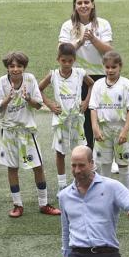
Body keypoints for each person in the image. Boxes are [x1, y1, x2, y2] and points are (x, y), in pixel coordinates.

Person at [0, 51, 59, 218]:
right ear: (7, 68)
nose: (15, 69)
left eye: (19, 66)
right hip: (9, 132)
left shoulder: (30, 79)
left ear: (24, 67)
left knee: (38, 166)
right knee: (12, 168)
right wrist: (7, 100)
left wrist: (28, 98)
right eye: (12, 66)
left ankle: (44, 204)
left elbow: (38, 105)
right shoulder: (2, 82)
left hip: (27, 132)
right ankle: (17, 205)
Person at [58, 0, 112, 151]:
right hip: (77, 77)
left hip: (101, 76)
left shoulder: (103, 24)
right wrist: (80, 41)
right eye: (80, 3)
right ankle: (88, 152)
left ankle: (110, 152)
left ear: (93, 4)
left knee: (103, 115)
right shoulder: (68, 26)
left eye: (86, 2)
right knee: (83, 116)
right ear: (75, 6)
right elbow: (62, 51)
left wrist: (93, 39)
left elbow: (109, 51)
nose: (83, 6)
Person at [39, 43, 94, 193]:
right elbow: (38, 89)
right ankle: (62, 185)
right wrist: (49, 104)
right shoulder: (53, 75)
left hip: (77, 120)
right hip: (61, 121)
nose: (67, 64)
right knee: (60, 152)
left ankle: (81, 182)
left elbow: (92, 85)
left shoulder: (80, 73)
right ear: (58, 59)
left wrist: (86, 101)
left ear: (74, 60)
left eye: (70, 61)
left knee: (80, 151)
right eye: (64, 61)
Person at [89, 51, 129, 190]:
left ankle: (127, 197)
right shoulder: (98, 85)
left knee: (123, 164)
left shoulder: (126, 85)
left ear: (120, 66)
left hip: (120, 130)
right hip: (103, 131)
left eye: (113, 67)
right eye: (107, 67)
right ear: (103, 66)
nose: (110, 70)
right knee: (103, 165)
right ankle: (105, 196)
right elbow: (93, 108)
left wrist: (125, 130)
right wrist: (95, 127)